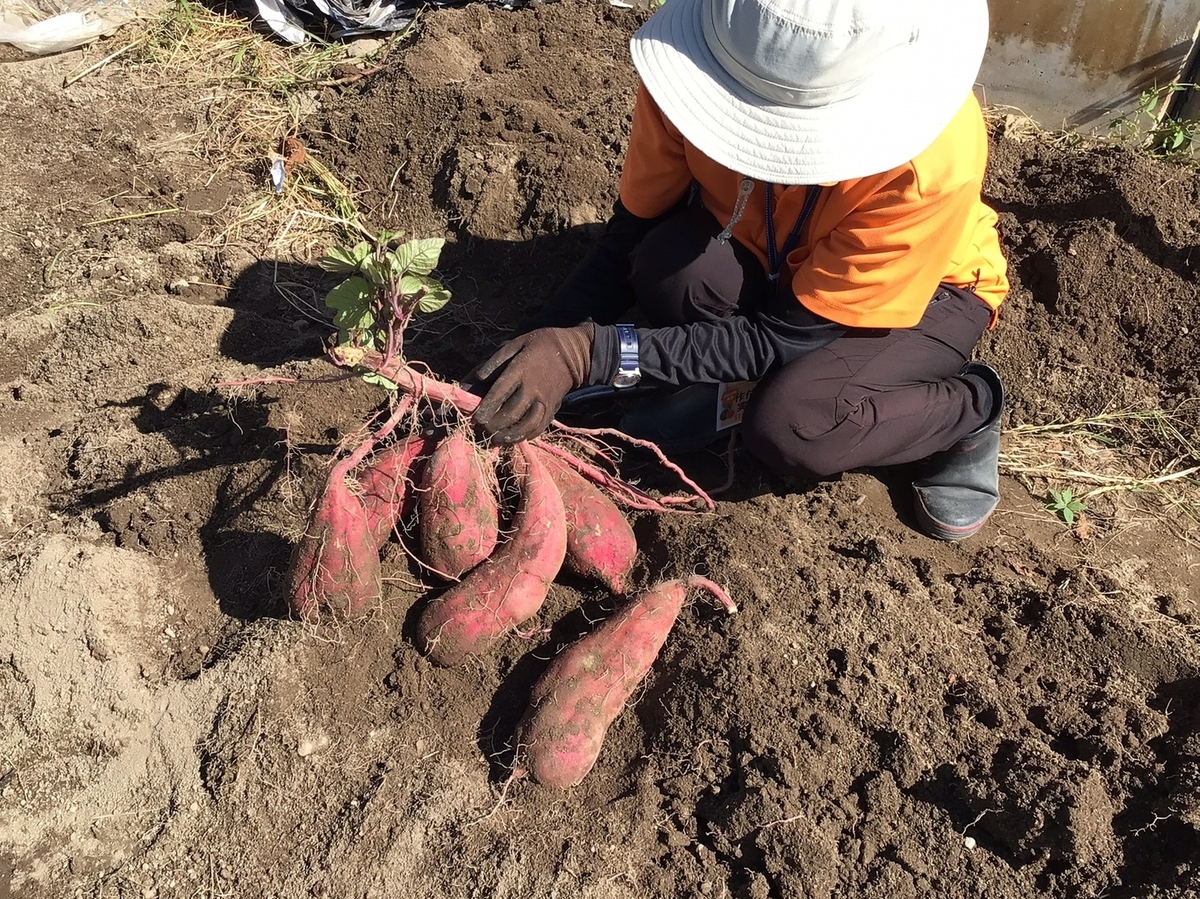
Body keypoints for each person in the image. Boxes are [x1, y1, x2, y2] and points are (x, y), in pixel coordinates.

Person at [468, 0, 1010, 541]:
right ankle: (732, 383)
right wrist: (529, 350)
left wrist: (589, 353)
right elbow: (627, 236)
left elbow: (786, 338)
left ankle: (969, 413)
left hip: (925, 292)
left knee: (795, 426)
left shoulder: (928, 160)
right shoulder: (681, 79)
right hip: (768, 253)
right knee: (667, 271)